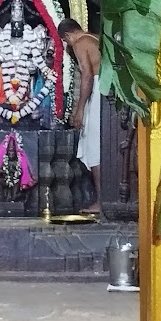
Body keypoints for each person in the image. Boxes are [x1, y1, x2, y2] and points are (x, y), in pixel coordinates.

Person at [58, 17, 104, 213]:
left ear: (67, 36)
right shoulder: (95, 38)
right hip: (106, 91)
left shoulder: (79, 43)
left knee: (93, 147)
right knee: (100, 146)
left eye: (66, 42)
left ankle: (101, 202)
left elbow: (86, 76)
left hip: (98, 91)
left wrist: (80, 109)